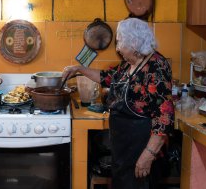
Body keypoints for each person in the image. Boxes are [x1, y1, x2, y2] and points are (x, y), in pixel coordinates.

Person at [63, 18, 174, 189]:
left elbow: (164, 117)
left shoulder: (156, 67)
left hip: (141, 149)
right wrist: (79, 69)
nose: (117, 48)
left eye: (121, 42)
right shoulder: (129, 64)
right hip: (123, 148)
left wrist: (148, 155)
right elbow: (106, 77)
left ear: (135, 42)